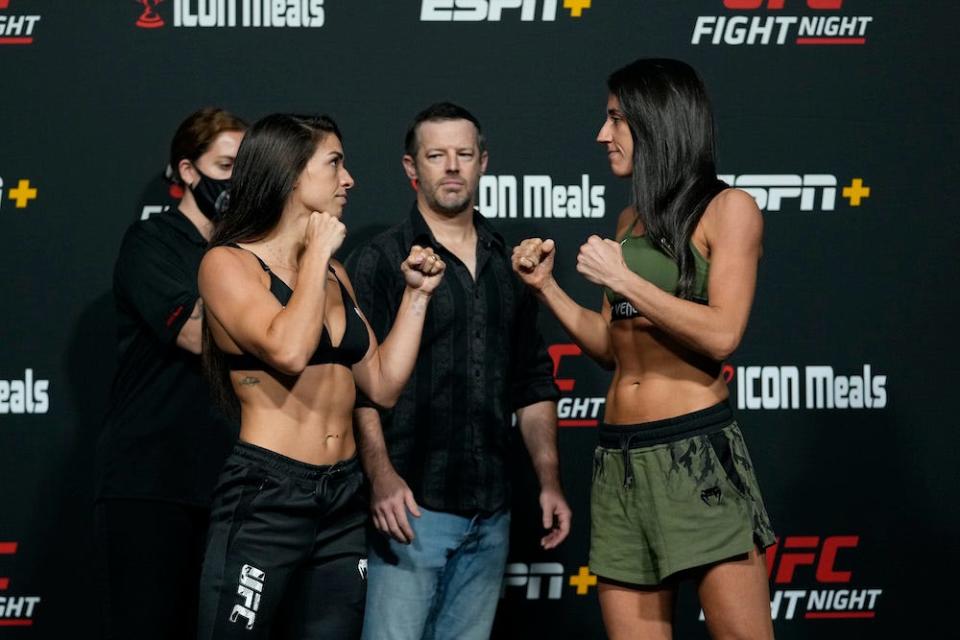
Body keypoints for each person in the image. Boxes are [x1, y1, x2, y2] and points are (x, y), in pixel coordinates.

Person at [512, 59, 776, 639]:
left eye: (615, 119)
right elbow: (611, 346)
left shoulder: (729, 209)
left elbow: (724, 333)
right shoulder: (630, 220)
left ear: (656, 122)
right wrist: (548, 288)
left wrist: (628, 280)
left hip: (694, 451)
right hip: (619, 459)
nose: (602, 135)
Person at [195, 113, 445, 640]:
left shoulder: (334, 273)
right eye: (334, 163)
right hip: (268, 493)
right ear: (289, 175)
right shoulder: (227, 264)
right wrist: (313, 258)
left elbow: (382, 384)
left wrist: (417, 296)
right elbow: (287, 350)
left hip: (341, 496)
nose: (348, 178)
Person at [346, 102, 572, 640]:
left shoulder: (511, 263)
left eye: (464, 154)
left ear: (483, 163)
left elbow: (532, 381)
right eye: (436, 155)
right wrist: (379, 477)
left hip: (491, 512)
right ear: (410, 168)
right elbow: (354, 382)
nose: (452, 166)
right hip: (408, 510)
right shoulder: (379, 260)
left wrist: (548, 479)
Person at [95, 107, 246, 640]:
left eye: (245, 167)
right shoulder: (152, 243)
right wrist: (272, 328)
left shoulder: (245, 256)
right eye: (226, 165)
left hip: (232, 484)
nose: (237, 180)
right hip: (152, 480)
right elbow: (193, 334)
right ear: (187, 172)